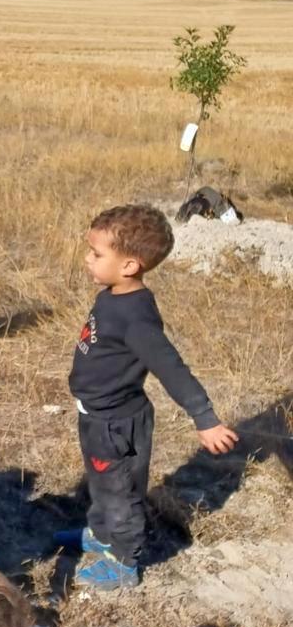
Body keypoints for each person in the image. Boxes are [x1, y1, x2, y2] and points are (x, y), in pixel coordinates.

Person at [66, 203, 237, 591]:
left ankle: (125, 560)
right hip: (95, 414)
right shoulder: (112, 294)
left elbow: (171, 368)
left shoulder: (137, 318)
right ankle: (102, 532)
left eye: (97, 254)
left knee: (121, 490)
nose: (87, 259)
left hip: (117, 424)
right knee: (101, 481)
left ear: (129, 265)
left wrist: (204, 417)